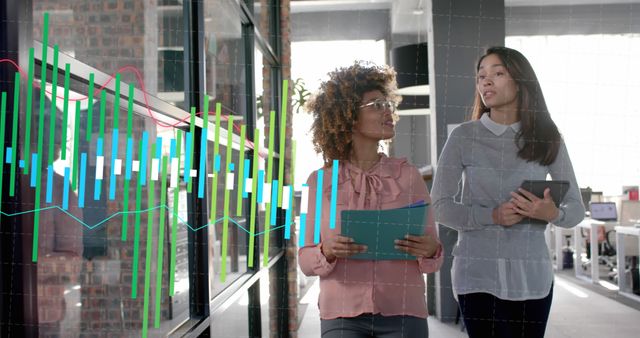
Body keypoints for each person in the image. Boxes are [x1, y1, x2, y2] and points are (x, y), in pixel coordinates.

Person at [431, 46, 585, 338]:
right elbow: (439, 206)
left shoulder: (547, 137)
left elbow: (576, 208)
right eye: (481, 76)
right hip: (477, 275)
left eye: (498, 73)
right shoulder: (463, 136)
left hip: (532, 277)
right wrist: (492, 215)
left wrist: (553, 213)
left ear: (521, 81)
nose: (486, 82)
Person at [298, 61, 443, 338]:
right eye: (376, 105)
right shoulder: (319, 182)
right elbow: (305, 261)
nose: (388, 111)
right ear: (349, 116)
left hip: (403, 309)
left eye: (387, 103)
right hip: (342, 312)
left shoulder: (409, 176)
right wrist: (326, 250)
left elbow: (433, 257)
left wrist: (429, 249)